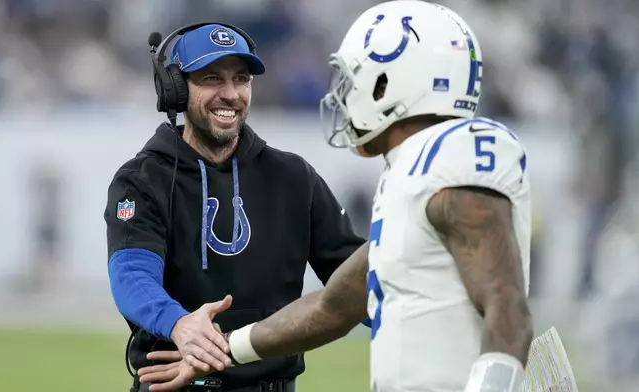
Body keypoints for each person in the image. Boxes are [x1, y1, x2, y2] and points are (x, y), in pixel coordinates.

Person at [138, 2, 535, 392]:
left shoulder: (452, 157)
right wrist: (223, 349)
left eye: (353, 79)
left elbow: (507, 303)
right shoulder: (411, 173)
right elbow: (333, 306)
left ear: (387, 83)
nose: (344, 96)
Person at [104, 22, 365, 392]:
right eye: (211, 78)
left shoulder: (293, 177)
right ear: (176, 88)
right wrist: (180, 324)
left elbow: (356, 278)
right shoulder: (142, 179)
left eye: (240, 79)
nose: (230, 94)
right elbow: (131, 274)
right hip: (174, 385)